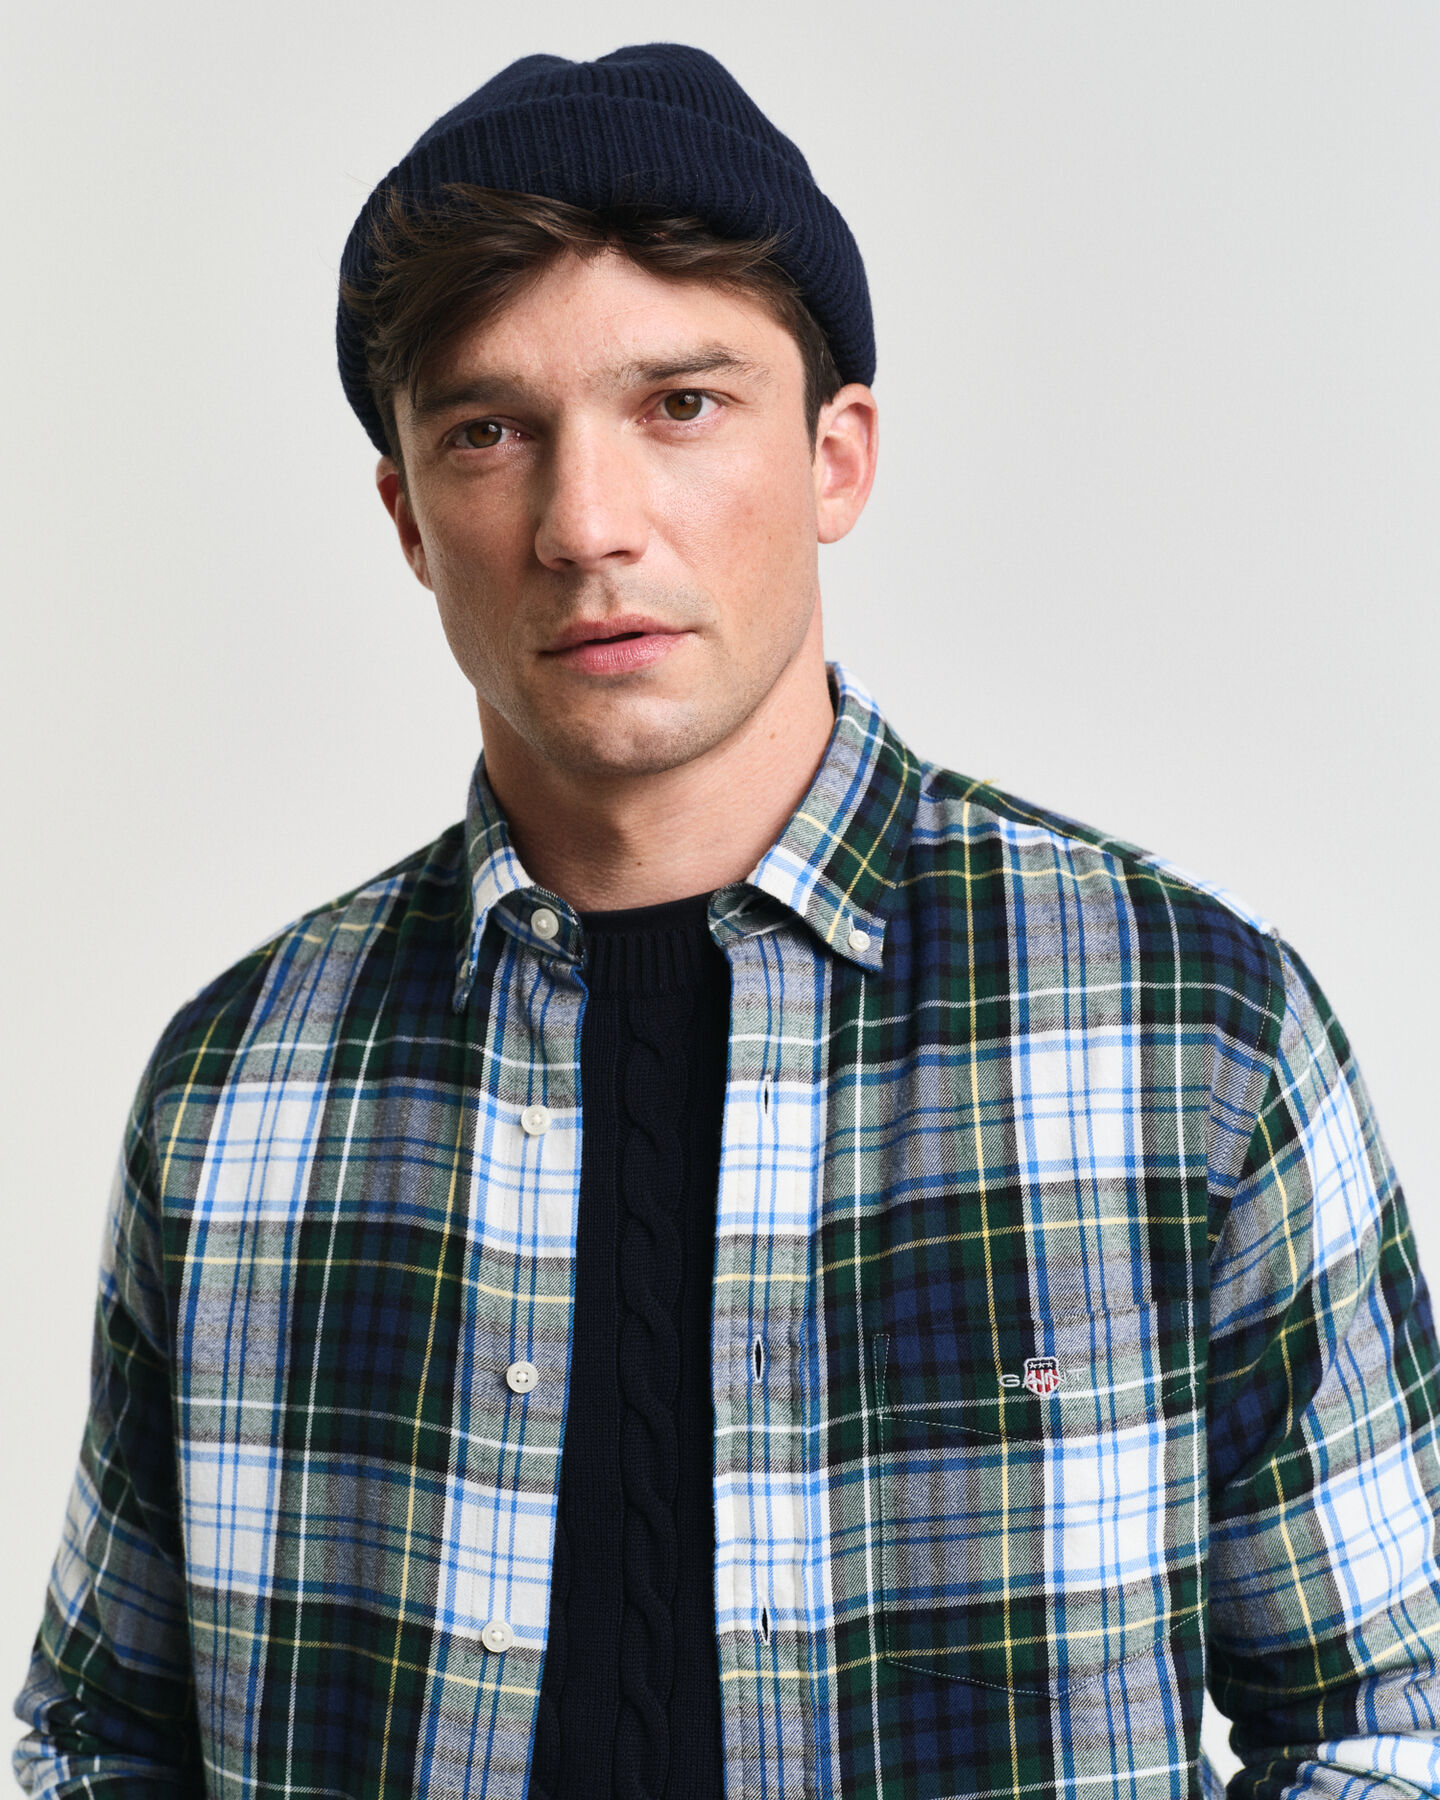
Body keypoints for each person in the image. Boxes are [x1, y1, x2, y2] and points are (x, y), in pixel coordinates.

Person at [15, 41, 1440, 1800]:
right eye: (489, 432)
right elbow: (97, 1746)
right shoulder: (240, 1088)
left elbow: (1391, 1730)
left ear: (837, 457)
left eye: (681, 405)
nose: (585, 524)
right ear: (408, 517)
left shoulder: (1188, 1033)